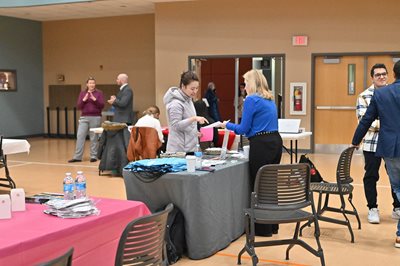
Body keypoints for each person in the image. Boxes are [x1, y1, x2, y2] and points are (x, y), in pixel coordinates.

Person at [222, 69, 282, 237]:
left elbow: (243, 129)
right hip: (275, 142)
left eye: (246, 83)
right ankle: (272, 225)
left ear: (252, 84)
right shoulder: (269, 99)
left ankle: (261, 228)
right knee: (270, 184)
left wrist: (226, 125)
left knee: (258, 184)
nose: (244, 87)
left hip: (261, 144)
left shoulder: (251, 100)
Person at [352, 60, 400, 248]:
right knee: (373, 176)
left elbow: (365, 121)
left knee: (397, 186)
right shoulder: (369, 95)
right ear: (373, 77)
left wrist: (355, 140)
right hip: (378, 147)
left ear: (393, 75)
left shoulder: (382, 94)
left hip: (390, 148)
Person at [163, 71, 208, 152]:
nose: (195, 91)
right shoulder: (175, 103)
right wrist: (194, 118)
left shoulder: (189, 100)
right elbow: (175, 126)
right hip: (178, 150)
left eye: (197, 88)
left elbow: (187, 126)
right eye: (192, 89)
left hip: (190, 148)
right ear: (183, 86)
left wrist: (194, 133)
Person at [69, 77, 104, 163]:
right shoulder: (82, 93)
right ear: (87, 84)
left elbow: (102, 105)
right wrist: (84, 100)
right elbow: (79, 106)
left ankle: (93, 156)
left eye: (93, 83)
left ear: (95, 84)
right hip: (84, 117)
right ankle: (77, 157)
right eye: (90, 83)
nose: (92, 84)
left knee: (94, 137)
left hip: (95, 117)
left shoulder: (99, 93)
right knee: (80, 136)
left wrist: (95, 100)